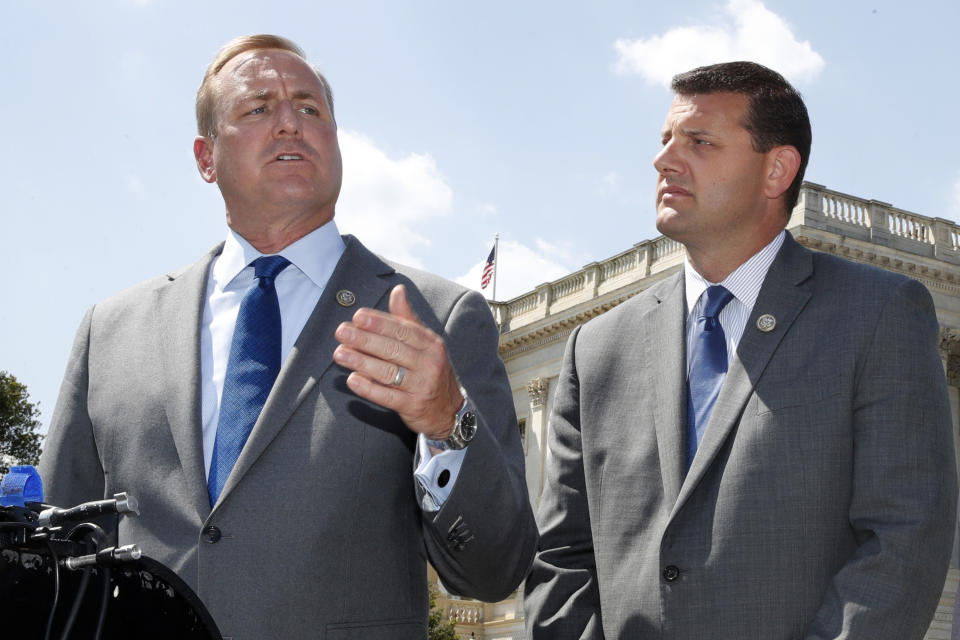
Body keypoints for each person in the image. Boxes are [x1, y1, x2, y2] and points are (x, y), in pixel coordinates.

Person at [39, 34, 536, 639]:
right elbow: (57, 553)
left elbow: (495, 569)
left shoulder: (436, 316)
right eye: (257, 109)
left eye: (309, 108)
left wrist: (447, 424)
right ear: (205, 157)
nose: (289, 125)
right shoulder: (110, 332)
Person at [524, 61, 957, 638]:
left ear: (777, 169)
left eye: (699, 141)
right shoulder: (596, 347)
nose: (664, 160)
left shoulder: (877, 313)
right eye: (665, 141)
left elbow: (903, 538)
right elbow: (562, 558)